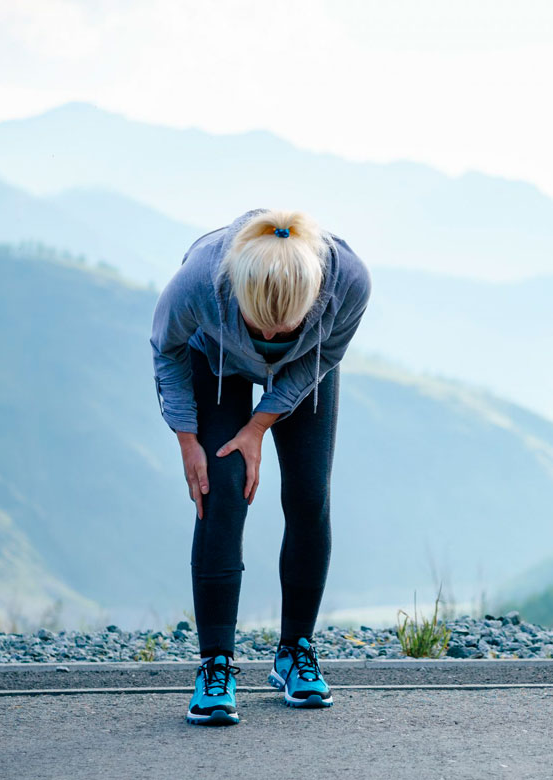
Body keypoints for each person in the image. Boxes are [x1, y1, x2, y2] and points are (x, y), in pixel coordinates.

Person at [149, 207, 372, 726]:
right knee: (219, 489)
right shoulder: (199, 282)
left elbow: (328, 356)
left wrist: (258, 426)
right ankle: (215, 665)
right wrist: (187, 439)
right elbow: (166, 350)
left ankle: (295, 650)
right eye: (259, 326)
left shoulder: (349, 284)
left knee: (309, 494)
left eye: (283, 329)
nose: (270, 338)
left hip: (306, 368)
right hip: (215, 359)